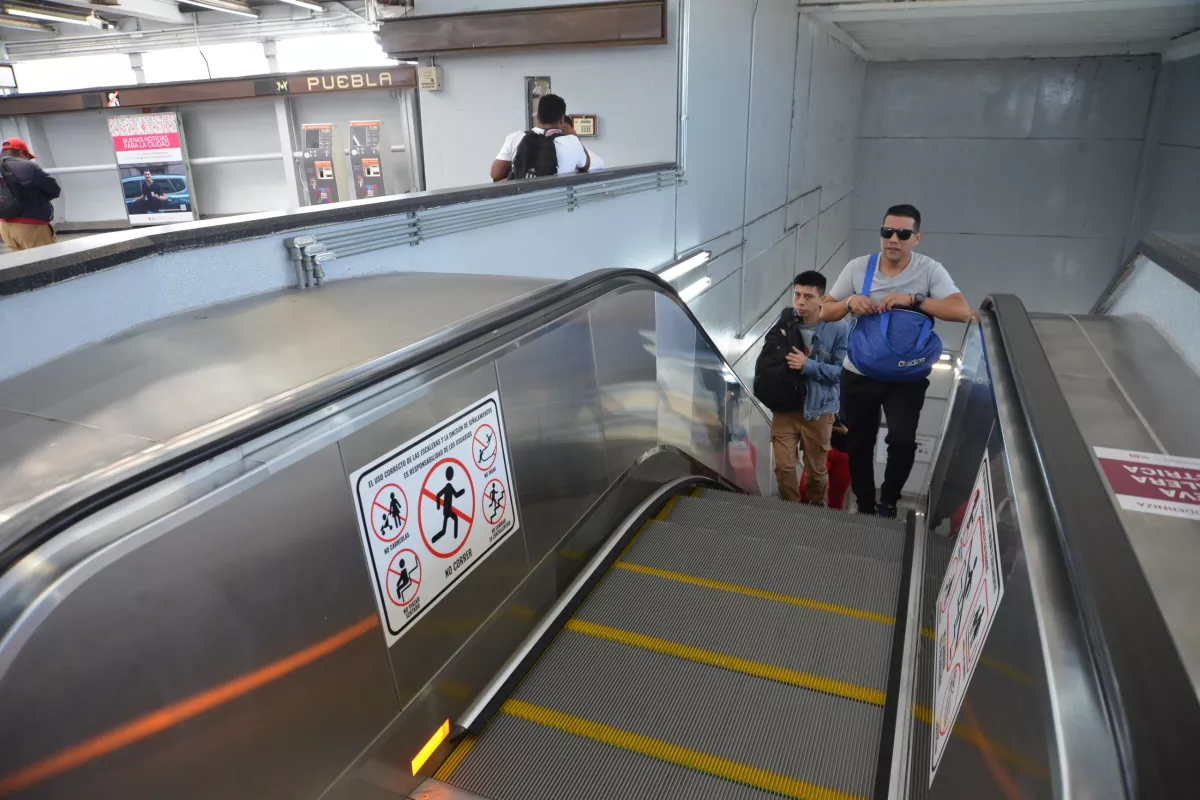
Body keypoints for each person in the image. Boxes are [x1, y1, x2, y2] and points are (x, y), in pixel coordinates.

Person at [821, 204, 971, 518]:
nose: (894, 239)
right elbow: (826, 311)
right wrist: (850, 302)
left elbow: (960, 311)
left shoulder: (929, 270)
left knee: (902, 441)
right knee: (858, 443)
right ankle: (863, 505)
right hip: (859, 372)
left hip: (907, 377)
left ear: (916, 238)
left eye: (903, 233)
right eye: (887, 232)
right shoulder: (859, 267)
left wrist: (914, 300)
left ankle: (888, 502)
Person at [754, 271, 849, 505]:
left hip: (819, 411)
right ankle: (791, 510)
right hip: (785, 407)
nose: (801, 302)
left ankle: (814, 510)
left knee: (816, 471)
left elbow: (843, 373)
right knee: (784, 467)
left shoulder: (838, 328)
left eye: (808, 297)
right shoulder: (786, 320)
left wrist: (808, 366)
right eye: (797, 295)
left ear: (822, 299)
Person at [491, 93, 590, 181]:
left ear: (537, 116)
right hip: (556, 199)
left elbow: (495, 174)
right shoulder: (572, 141)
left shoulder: (515, 137)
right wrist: (574, 135)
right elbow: (585, 165)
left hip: (523, 199)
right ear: (562, 119)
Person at [0, 138, 60, 252]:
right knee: (46, 263)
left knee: (21, 265)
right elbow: (54, 190)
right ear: (22, 153)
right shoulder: (27, 166)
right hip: (32, 226)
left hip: (4, 227)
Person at [800, 414, 851, 511]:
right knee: (804, 488)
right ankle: (796, 520)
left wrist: (849, 432)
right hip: (820, 448)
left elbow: (868, 431)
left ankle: (830, 525)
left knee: (836, 500)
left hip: (845, 454)